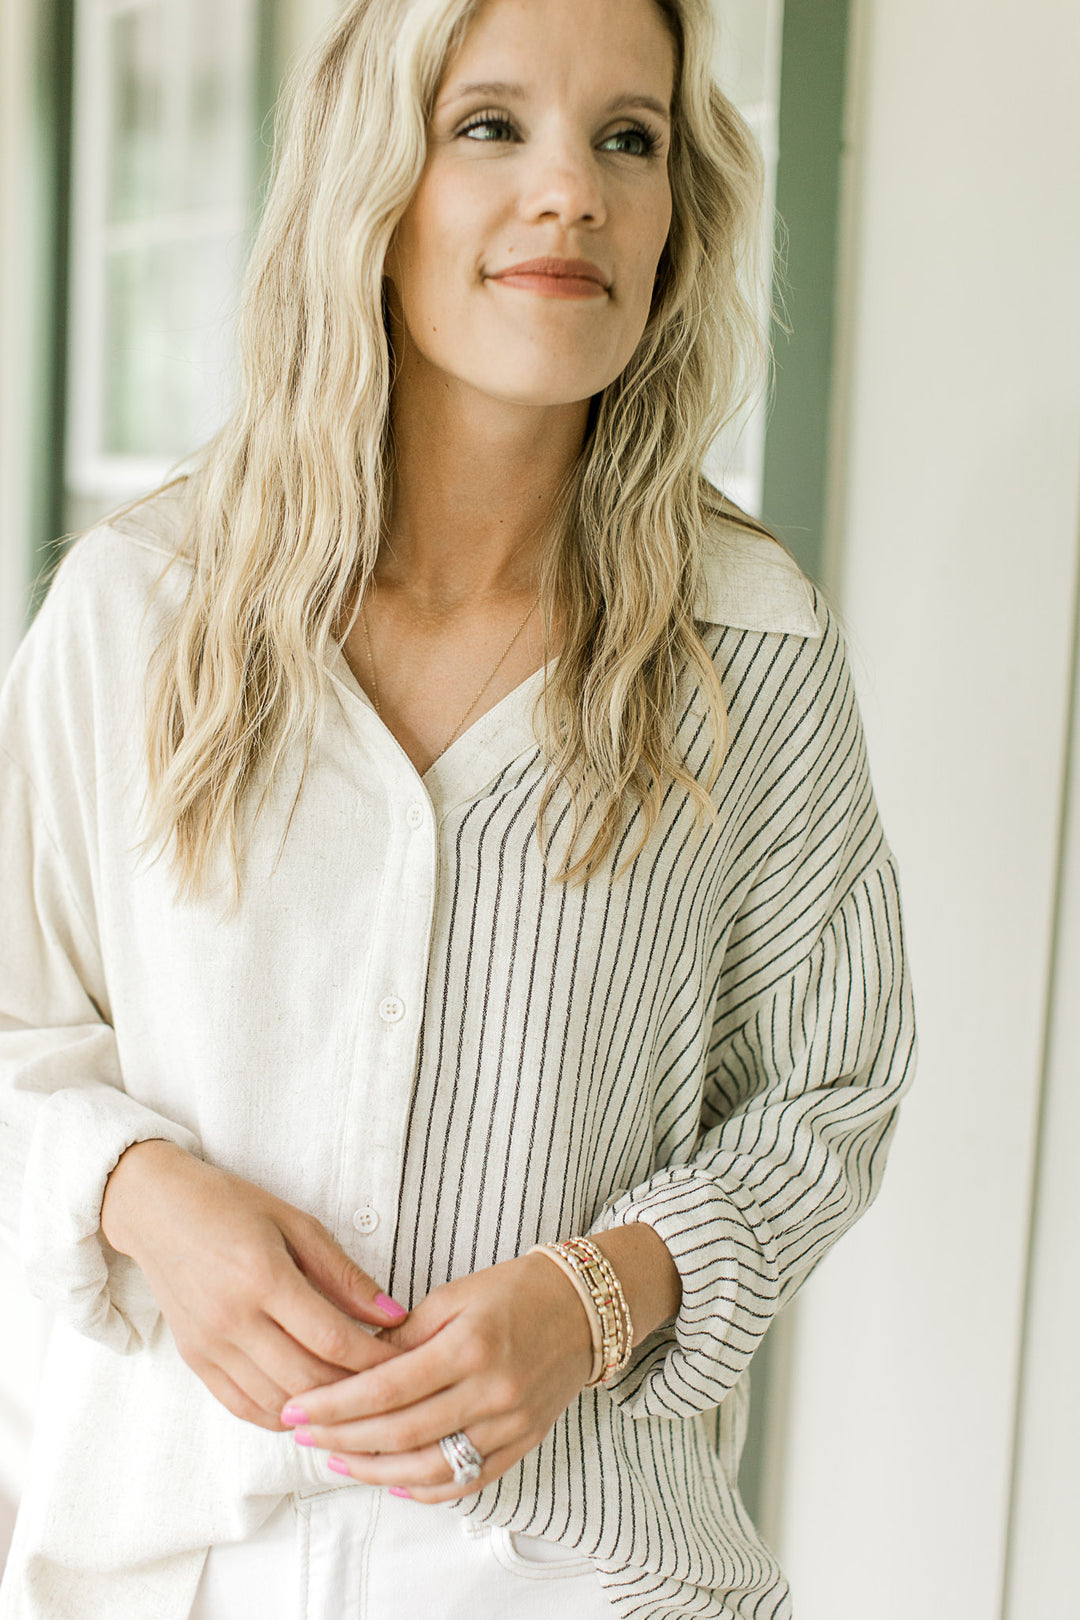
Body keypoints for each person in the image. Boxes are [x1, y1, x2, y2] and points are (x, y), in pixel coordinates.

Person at [0, 0, 916, 1615]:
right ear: (376, 179)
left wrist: (601, 1298)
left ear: (675, 217)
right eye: (491, 125)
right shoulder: (138, 612)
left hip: (586, 1577)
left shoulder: (754, 643)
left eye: (628, 140)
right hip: (167, 1562)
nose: (571, 191)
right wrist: (143, 1195)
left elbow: (829, 1093)